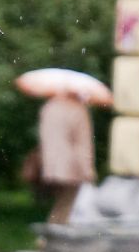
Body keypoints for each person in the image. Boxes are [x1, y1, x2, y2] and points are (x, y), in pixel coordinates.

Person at [37, 93, 96, 224]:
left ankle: (50, 237)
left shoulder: (49, 107)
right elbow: (83, 145)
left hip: (51, 167)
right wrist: (87, 171)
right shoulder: (78, 110)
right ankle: (50, 238)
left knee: (60, 203)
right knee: (66, 206)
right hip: (71, 168)